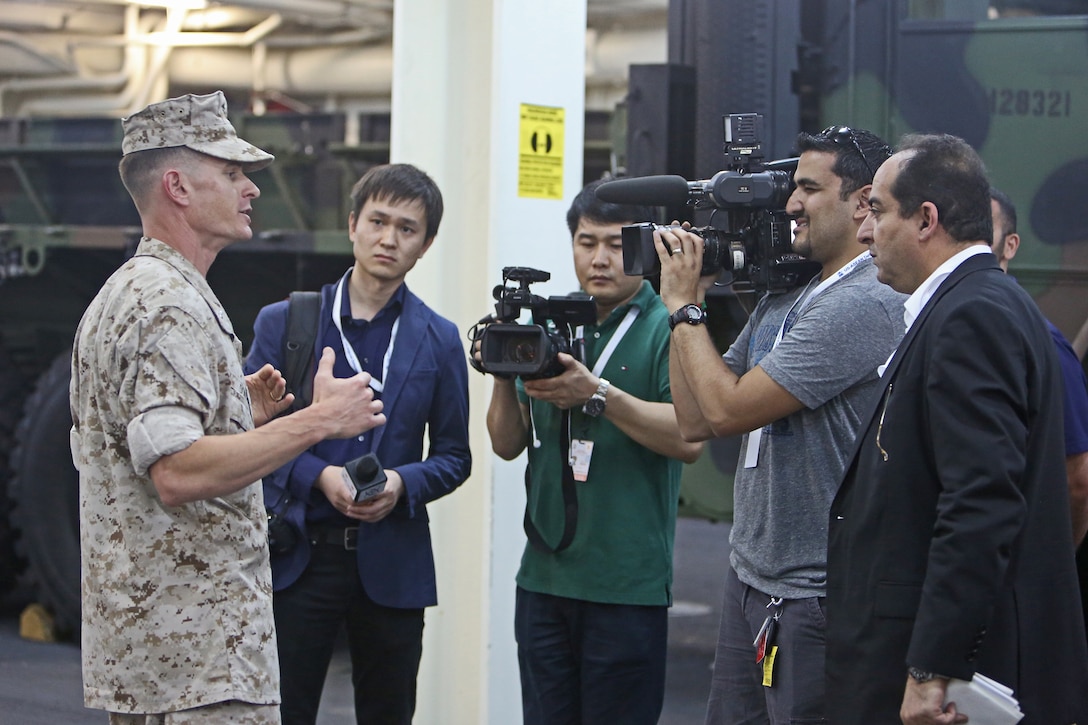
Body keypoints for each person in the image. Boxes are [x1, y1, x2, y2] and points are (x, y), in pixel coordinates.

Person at [70, 91, 386, 724]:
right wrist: (318, 421)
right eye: (233, 173)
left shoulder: (131, 290)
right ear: (179, 186)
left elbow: (138, 440)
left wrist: (239, 412)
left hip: (153, 658)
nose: (251, 190)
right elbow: (177, 471)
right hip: (200, 668)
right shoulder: (168, 305)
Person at [826, 133, 1088, 725]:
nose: (865, 232)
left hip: (948, 682)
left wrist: (930, 670)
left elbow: (980, 503)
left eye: (878, 212)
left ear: (926, 220)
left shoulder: (971, 316)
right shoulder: (978, 304)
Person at [654, 125, 906, 724]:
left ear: (862, 202)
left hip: (815, 597)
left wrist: (685, 306)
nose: (790, 204)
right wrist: (689, 305)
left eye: (808, 189)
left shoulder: (865, 301)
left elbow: (726, 410)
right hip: (751, 578)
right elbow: (693, 418)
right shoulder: (791, 296)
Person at [244, 163, 471, 724]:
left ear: (427, 243)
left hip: (393, 560)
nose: (389, 239)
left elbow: (454, 456)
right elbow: (246, 434)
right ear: (352, 225)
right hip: (299, 551)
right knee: (280, 712)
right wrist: (316, 475)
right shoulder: (288, 322)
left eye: (407, 229)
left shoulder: (439, 339)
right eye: (378, 221)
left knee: (389, 713)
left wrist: (402, 482)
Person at [482, 179, 702, 725]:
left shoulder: (668, 325)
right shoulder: (543, 327)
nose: (599, 259)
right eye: (586, 243)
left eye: (614, 243)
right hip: (543, 578)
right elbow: (505, 444)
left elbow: (688, 438)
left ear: (645, 248)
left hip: (627, 585)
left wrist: (596, 395)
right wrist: (501, 360)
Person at [990, 187, 1088, 548]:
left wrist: (1056, 560)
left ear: (1011, 245)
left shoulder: (1037, 341)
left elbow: (1077, 478)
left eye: (983, 230)